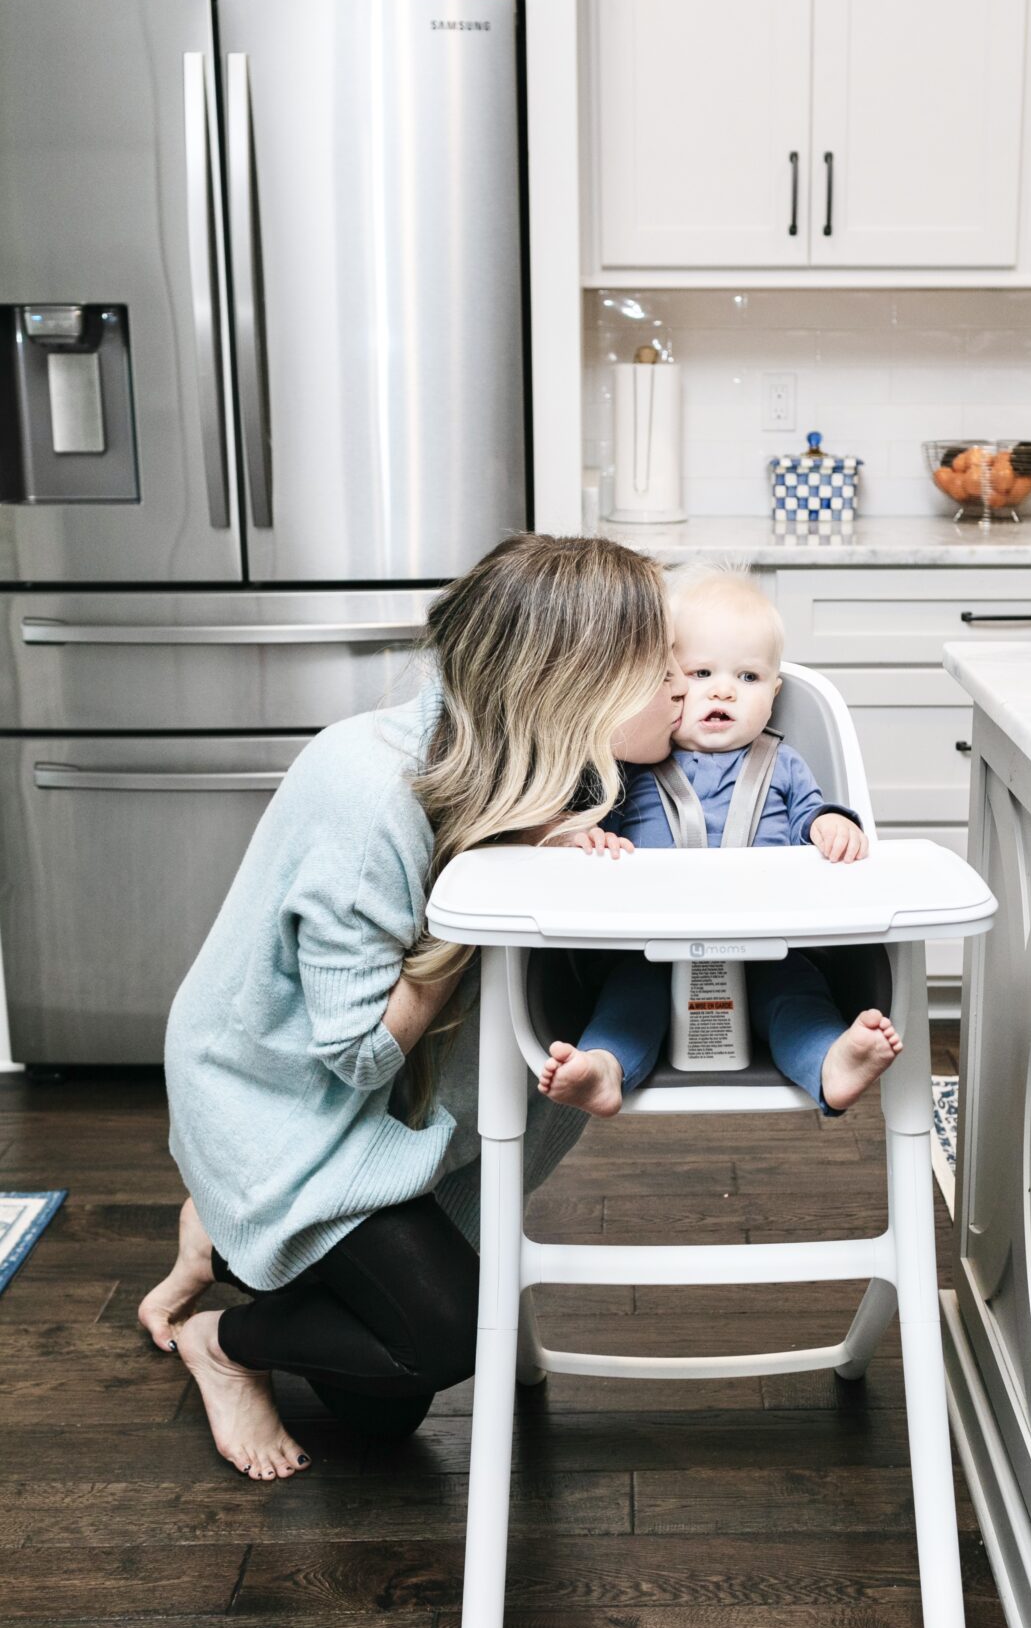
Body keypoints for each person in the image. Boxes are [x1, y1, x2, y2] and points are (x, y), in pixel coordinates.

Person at [138, 535, 683, 1481]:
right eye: (660, 666)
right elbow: (352, 1051)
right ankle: (223, 1339)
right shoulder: (369, 792)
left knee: (381, 1420)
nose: (682, 684)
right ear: (577, 685)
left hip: (380, 1106)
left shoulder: (555, 773)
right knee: (438, 1343)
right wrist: (465, 908)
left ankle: (228, 1234)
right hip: (281, 1102)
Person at [538, 565, 902, 1121]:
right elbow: (584, 819)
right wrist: (579, 835)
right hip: (651, 944)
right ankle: (604, 1069)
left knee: (795, 996)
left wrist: (832, 825)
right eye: (701, 671)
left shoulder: (782, 761)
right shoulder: (637, 761)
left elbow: (812, 813)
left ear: (774, 692)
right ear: (664, 684)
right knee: (631, 998)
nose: (724, 689)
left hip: (769, 942)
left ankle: (831, 1062)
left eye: (749, 678)